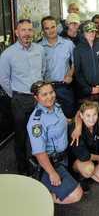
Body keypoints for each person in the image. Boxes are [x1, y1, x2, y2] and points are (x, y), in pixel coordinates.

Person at [0, 19, 45, 175]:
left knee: (39, 131)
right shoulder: (8, 54)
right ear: (17, 32)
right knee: (21, 136)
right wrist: (16, 95)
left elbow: (43, 70)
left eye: (29, 30)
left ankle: (40, 165)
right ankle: (23, 169)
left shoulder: (39, 50)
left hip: (40, 98)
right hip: (20, 99)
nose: (27, 33)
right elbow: (3, 80)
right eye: (23, 30)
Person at [27, 81, 83, 204]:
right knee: (76, 195)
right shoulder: (37, 122)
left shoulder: (57, 107)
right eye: (44, 94)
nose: (49, 97)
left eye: (51, 92)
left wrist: (78, 126)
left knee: (86, 170)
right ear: (36, 98)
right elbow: (39, 153)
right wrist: (52, 173)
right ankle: (42, 197)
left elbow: (71, 119)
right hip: (51, 164)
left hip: (65, 156)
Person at [39, 15, 76, 118]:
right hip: (46, 90)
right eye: (47, 28)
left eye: (53, 27)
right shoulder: (38, 47)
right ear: (43, 30)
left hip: (64, 87)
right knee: (49, 119)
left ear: (57, 27)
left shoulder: (68, 44)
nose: (51, 30)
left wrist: (70, 74)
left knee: (68, 118)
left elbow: (75, 62)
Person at [70, 101, 99, 188]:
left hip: (93, 157)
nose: (92, 119)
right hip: (79, 159)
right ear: (81, 116)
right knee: (89, 170)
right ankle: (81, 175)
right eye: (88, 115)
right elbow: (83, 156)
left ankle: (92, 175)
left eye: (94, 114)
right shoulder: (75, 130)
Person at [74, 21, 99, 106]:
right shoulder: (78, 49)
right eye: (88, 31)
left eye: (93, 31)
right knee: (89, 116)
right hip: (86, 92)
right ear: (83, 33)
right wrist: (89, 89)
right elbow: (78, 72)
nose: (92, 34)